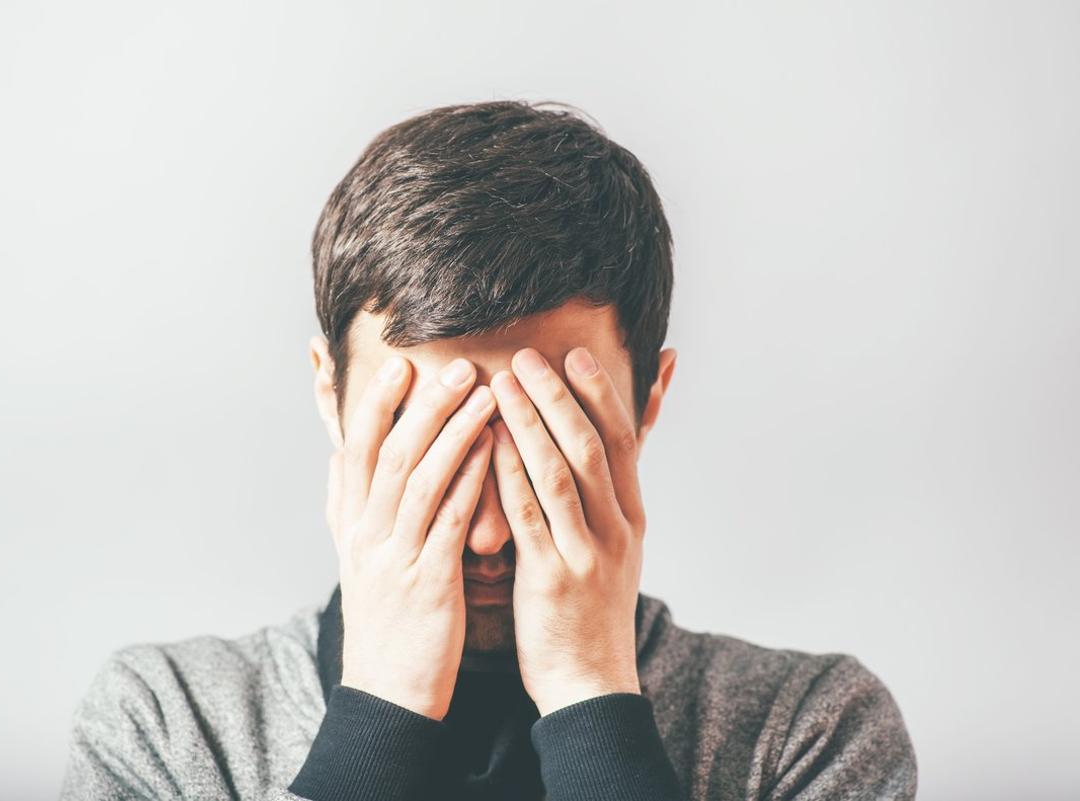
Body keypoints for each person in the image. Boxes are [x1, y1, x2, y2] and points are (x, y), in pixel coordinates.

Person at [60, 100, 918, 801]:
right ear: (332, 394)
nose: (487, 537)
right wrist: (382, 704)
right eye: (432, 437)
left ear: (647, 402)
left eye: (547, 435)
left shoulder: (807, 732)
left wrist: (591, 691)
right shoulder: (168, 726)